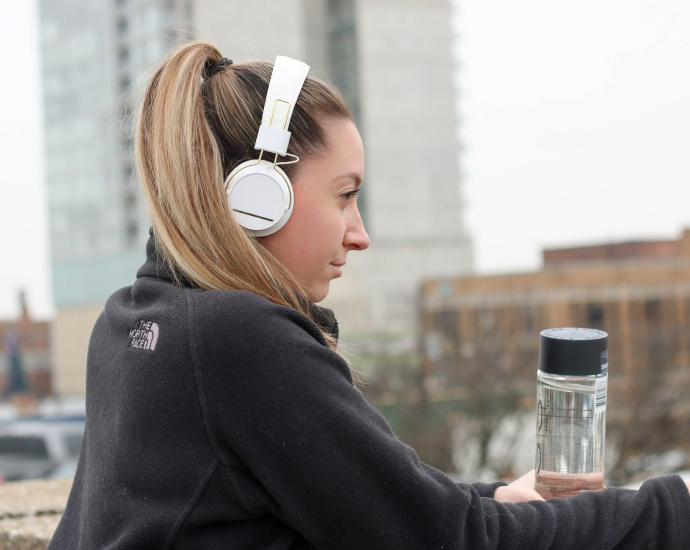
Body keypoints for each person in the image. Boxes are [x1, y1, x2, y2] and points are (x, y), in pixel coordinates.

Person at [49, 41, 690, 550]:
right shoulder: (235, 339)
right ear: (257, 200)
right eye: (345, 193)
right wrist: (673, 509)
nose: (359, 234)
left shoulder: (134, 321)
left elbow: (370, 505)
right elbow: (444, 541)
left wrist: (493, 500)